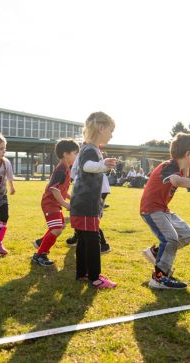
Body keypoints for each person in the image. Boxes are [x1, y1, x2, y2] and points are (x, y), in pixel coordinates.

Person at [140, 133, 190, 289]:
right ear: (188, 154)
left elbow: (179, 180)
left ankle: (156, 253)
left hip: (163, 210)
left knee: (187, 234)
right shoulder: (169, 166)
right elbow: (175, 181)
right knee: (170, 239)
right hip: (152, 210)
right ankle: (159, 278)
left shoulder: (179, 170)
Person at [70, 111, 118, 289]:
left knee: (83, 239)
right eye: (110, 130)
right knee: (92, 238)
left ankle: (82, 273)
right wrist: (103, 165)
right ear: (100, 127)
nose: (112, 135)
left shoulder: (91, 148)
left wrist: (104, 166)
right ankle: (95, 277)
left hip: (83, 204)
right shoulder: (90, 149)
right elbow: (86, 166)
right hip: (85, 204)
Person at [32, 139, 79, 266]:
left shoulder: (66, 168)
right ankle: (40, 255)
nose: (77, 156)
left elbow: (61, 190)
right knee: (57, 229)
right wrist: (65, 204)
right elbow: (53, 189)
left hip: (54, 203)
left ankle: (40, 242)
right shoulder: (62, 169)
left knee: (60, 226)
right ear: (65, 154)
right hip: (50, 203)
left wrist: (71, 198)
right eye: (75, 153)